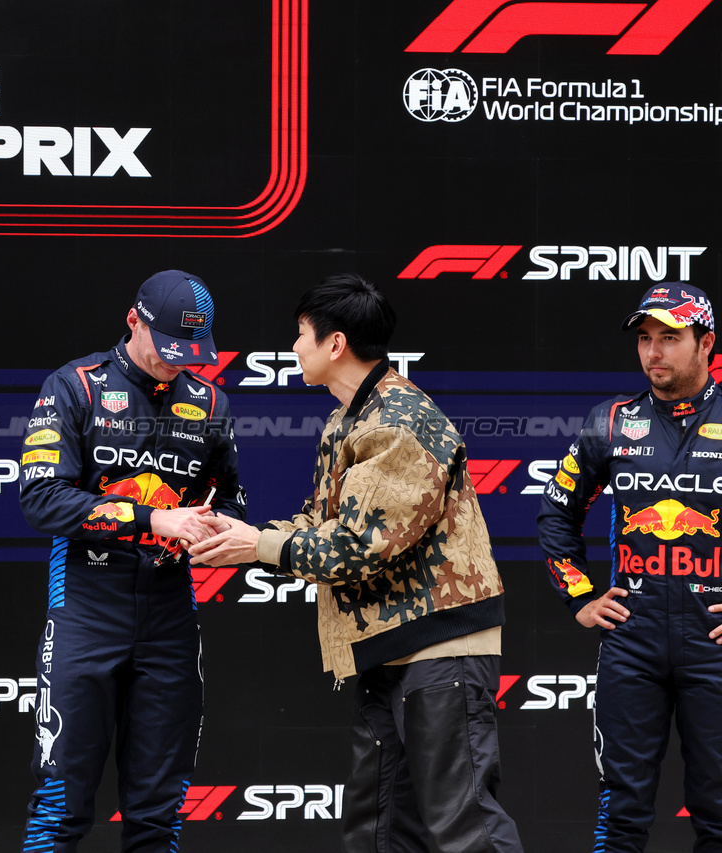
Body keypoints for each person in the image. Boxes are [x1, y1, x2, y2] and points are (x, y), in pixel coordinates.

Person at [190, 273, 521, 852]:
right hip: (388, 648)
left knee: (463, 827)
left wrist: (257, 547)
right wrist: (243, 534)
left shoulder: (396, 421)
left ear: (335, 343)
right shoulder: (347, 419)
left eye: (300, 334)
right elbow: (321, 525)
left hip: (438, 649)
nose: (293, 347)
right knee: (380, 830)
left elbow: (358, 546)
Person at [18, 270, 245, 852]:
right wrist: (152, 519)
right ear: (133, 321)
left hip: (169, 616)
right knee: (60, 807)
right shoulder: (75, 387)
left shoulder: (212, 402)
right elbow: (41, 498)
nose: (177, 363)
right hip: (86, 613)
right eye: (168, 348)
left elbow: (232, 500)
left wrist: (216, 530)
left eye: (190, 353)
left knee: (156, 815)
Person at [537, 282, 722, 852]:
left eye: (670, 337)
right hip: (632, 642)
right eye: (644, 339)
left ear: (706, 343)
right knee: (621, 816)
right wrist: (580, 597)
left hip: (713, 647)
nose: (653, 352)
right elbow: (556, 515)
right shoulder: (611, 422)